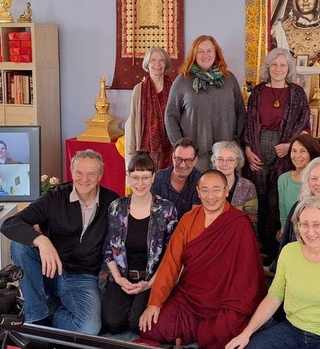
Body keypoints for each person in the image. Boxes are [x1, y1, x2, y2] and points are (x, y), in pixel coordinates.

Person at [138, 170, 266, 349]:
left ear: (226, 190)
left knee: (226, 333)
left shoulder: (239, 223)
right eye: (205, 190)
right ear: (198, 192)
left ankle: (189, 333)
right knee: (152, 328)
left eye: (216, 190)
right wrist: (154, 303)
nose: (210, 196)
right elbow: (171, 262)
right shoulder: (189, 219)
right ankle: (193, 331)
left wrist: (235, 306)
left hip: (224, 301)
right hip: (190, 299)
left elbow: (247, 273)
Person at [1, 149, 119, 334]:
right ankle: (36, 317)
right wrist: (41, 240)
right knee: (20, 245)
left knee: (88, 328)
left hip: (82, 277)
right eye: (79, 173)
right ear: (72, 172)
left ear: (100, 176)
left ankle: (49, 309)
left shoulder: (113, 202)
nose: (84, 179)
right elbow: (10, 224)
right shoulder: (55, 197)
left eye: (91, 174)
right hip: (49, 270)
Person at [226, 196, 320, 349]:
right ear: (297, 226)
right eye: (304, 224)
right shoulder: (289, 252)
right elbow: (274, 296)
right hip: (292, 329)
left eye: (317, 224)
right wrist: (246, 333)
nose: (310, 231)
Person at [243, 47, 310, 260]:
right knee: (260, 195)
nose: (278, 69)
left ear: (289, 68)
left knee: (278, 196)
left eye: (283, 65)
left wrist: (290, 145)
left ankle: (278, 247)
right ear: (268, 67)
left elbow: (303, 124)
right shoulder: (258, 92)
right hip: (259, 145)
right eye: (274, 64)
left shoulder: (297, 93)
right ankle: (259, 245)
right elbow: (249, 123)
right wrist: (247, 149)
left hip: (286, 149)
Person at [102, 153, 178, 334]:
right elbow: (107, 249)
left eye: (145, 177)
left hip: (152, 277)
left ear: (154, 177)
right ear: (128, 178)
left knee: (138, 324)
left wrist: (151, 283)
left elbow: (171, 254)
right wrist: (119, 280)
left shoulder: (167, 209)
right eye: (135, 177)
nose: (140, 183)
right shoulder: (116, 207)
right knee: (113, 324)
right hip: (122, 276)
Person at [164, 34, 246, 171]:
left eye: (209, 51)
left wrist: (237, 143)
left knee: (226, 191)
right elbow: (170, 115)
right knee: (196, 191)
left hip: (226, 155)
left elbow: (241, 111)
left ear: (216, 53)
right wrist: (180, 146)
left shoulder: (229, 79)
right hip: (195, 156)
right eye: (200, 51)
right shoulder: (183, 80)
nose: (205, 55)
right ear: (194, 54)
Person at [125, 47, 174, 169]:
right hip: (146, 150)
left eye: (161, 60)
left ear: (166, 63)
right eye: (153, 60)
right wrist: (131, 155)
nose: (157, 64)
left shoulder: (174, 88)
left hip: (170, 148)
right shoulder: (139, 89)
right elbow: (133, 120)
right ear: (147, 64)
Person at [277, 134, 320, 233]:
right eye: (294, 151)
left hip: (314, 232)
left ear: (311, 153)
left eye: (303, 151)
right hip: (290, 232)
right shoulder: (283, 180)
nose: (297, 156)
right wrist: (283, 231)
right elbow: (283, 214)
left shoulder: (318, 180)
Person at [211, 141, 258, 231]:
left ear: (237, 163)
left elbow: (252, 222)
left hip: (238, 234)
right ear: (214, 161)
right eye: (220, 159)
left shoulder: (248, 187)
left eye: (230, 160)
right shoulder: (206, 184)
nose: (224, 163)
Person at [151, 137, 201, 217]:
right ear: (172, 157)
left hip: (187, 227)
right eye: (178, 159)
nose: (182, 165)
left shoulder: (200, 181)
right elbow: (151, 212)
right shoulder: (158, 178)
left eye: (188, 160)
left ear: (195, 160)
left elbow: (194, 218)